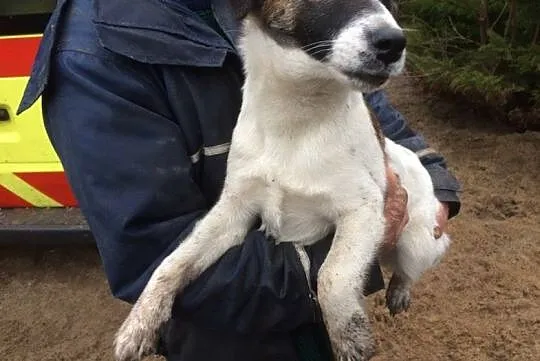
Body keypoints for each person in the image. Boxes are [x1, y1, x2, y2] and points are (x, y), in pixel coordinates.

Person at [17, 0, 462, 360]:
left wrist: (431, 177)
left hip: (316, 314)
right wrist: (335, 270)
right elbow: (149, 248)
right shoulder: (93, 54)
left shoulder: (247, 15)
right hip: (230, 335)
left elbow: (356, 89)